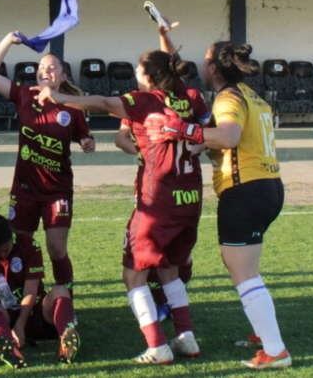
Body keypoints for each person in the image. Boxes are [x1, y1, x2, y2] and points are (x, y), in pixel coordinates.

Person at [33, 48, 207, 364]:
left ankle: (157, 345)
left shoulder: (144, 100)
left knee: (134, 275)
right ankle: (186, 336)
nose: (135, 74)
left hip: (158, 202)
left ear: (149, 76)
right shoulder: (188, 97)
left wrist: (58, 97)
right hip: (191, 199)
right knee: (169, 268)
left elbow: (104, 103)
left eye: (139, 69)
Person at [160, 41, 291, 370]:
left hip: (244, 190)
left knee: (242, 273)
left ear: (215, 68)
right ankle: (264, 333)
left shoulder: (228, 97)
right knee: (248, 268)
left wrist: (186, 131)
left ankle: (275, 351)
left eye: (206, 62)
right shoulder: (252, 95)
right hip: (268, 186)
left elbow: (230, 137)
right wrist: (203, 141)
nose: (202, 67)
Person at [0, 32, 94, 302]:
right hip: (25, 189)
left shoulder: (73, 107)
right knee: (19, 245)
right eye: (41, 67)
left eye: (52, 67)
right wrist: (7, 41)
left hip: (57, 191)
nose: (45, 71)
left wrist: (88, 142)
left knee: (56, 249)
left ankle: (65, 298)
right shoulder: (24, 95)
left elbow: (84, 136)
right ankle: (22, 295)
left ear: (63, 75)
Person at [0, 209, 76, 369]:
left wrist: (20, 324)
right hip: (6, 319)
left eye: (5, 248)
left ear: (10, 236)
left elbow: (30, 292)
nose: (2, 254)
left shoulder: (28, 246)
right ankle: (6, 344)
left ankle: (67, 335)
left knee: (61, 290)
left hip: (34, 313)